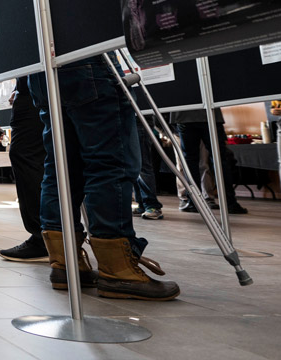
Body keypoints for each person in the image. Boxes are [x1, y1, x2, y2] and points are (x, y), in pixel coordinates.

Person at [30, 59, 180, 300]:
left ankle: (65, 263)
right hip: (88, 63)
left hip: (41, 73)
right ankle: (117, 269)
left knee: (61, 167)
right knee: (110, 162)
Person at [0, 77, 48, 262]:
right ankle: (54, 236)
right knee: (45, 160)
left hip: (36, 88)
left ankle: (44, 238)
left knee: (27, 157)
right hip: (39, 85)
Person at [171, 109, 246, 214]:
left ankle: (194, 202)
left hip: (184, 116)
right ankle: (230, 203)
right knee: (219, 160)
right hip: (210, 114)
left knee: (190, 162)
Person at [132, 118, 163, 220]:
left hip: (140, 120)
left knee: (143, 165)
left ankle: (152, 205)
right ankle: (142, 204)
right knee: (134, 165)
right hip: (129, 119)